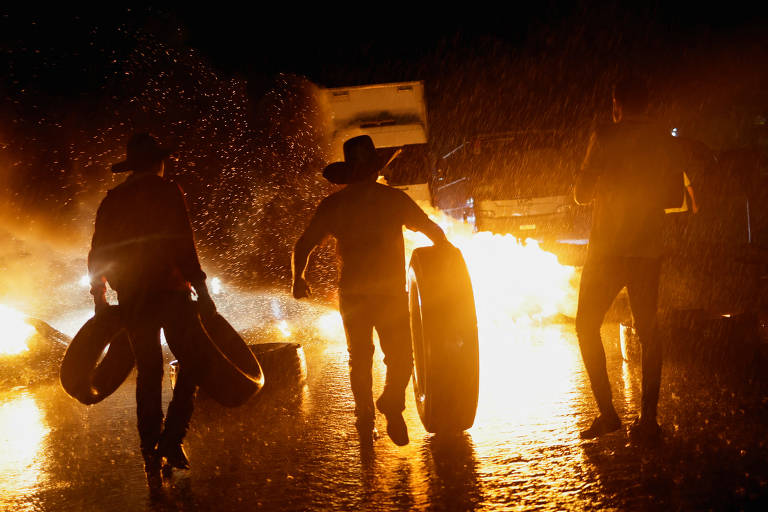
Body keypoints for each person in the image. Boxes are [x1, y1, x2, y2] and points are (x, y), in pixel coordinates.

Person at [292, 135, 448, 446]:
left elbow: (304, 245)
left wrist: (298, 278)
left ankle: (366, 417)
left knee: (360, 359)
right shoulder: (392, 200)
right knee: (402, 356)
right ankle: (391, 403)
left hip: (355, 295)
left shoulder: (335, 205)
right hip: (389, 293)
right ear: (374, 171)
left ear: (350, 174)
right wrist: (447, 250)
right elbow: (430, 229)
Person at [88, 133, 217, 485]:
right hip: (170, 291)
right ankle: (172, 440)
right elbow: (182, 241)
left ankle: (150, 453)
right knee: (193, 362)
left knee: (149, 373)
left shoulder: (112, 200)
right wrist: (201, 288)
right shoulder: (166, 191)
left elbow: (98, 253)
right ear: (157, 162)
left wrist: (100, 299)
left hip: (132, 297)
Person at [574, 76, 687, 441]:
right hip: (646, 251)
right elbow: (672, 198)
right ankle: (648, 420)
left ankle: (608, 414)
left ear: (616, 105)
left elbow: (580, 195)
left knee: (586, 326)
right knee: (649, 332)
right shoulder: (663, 142)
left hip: (607, 251)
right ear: (649, 105)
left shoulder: (605, 136)